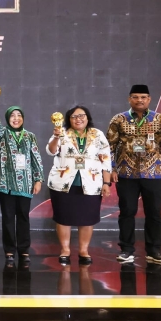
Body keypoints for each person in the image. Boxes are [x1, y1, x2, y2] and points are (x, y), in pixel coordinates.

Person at [107, 84, 161, 266]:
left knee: (154, 214)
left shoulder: (160, 119)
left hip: (153, 174)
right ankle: (126, 250)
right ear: (129, 99)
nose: (139, 100)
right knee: (127, 212)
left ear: (149, 99)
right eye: (135, 97)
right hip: (126, 174)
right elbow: (109, 147)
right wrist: (112, 168)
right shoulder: (119, 119)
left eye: (143, 97)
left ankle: (153, 251)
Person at [47, 106, 112, 265]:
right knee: (63, 218)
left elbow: (106, 160)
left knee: (87, 218)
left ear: (87, 117)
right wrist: (56, 137)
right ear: (68, 120)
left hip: (91, 182)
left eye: (81, 116)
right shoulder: (61, 132)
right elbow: (51, 151)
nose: (78, 119)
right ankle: (65, 250)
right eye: (74, 117)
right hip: (63, 183)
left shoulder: (97, 134)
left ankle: (84, 250)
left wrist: (106, 182)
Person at [0, 104, 44, 264]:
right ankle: (9, 251)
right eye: (12, 116)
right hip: (5, 183)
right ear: (8, 119)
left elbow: (36, 158)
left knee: (23, 217)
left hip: (25, 183)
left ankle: (24, 250)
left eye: (19, 115)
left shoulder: (30, 136)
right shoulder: (3, 133)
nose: (16, 118)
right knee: (7, 218)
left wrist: (38, 179)